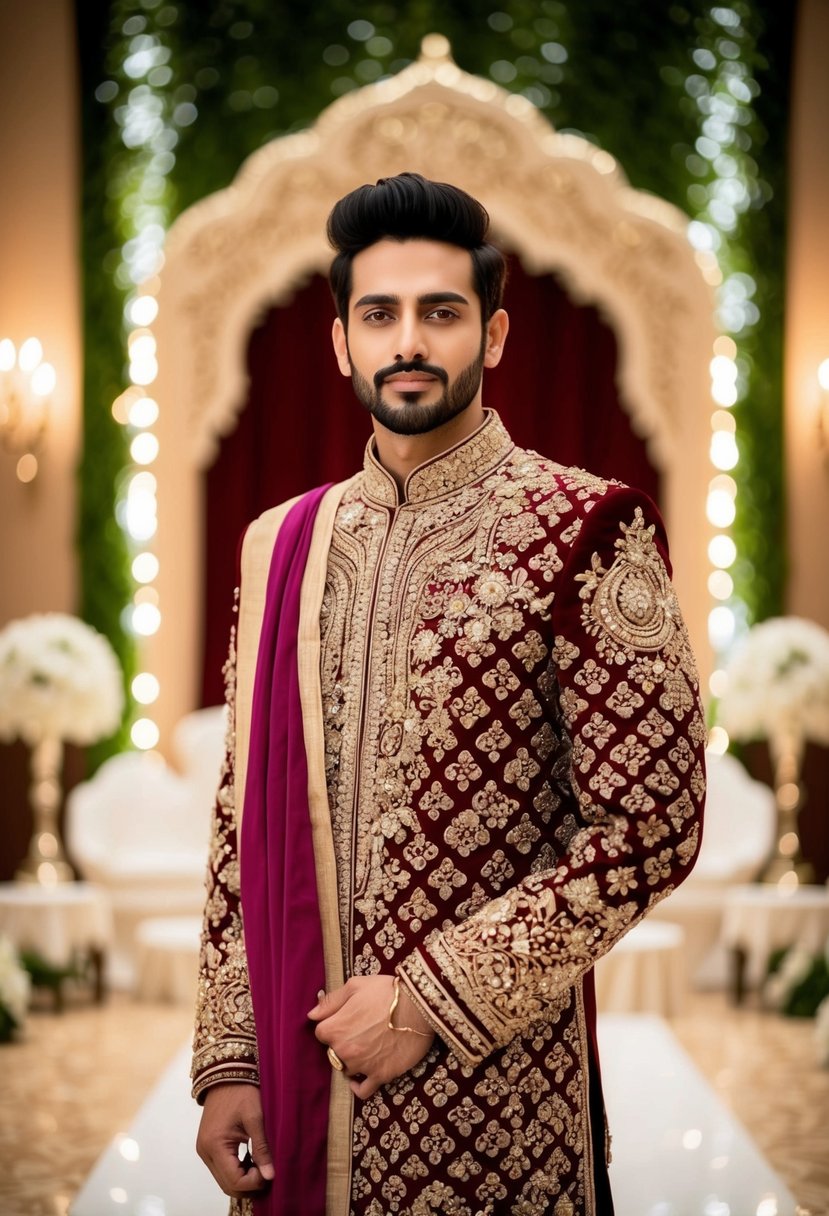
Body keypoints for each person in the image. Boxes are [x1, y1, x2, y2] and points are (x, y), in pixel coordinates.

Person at [192, 172, 706, 1216]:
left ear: (496, 333)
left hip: (493, 1106)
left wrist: (433, 996)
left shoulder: (582, 525)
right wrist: (227, 1059)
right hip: (299, 1086)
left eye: (441, 311)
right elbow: (239, 817)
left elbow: (653, 820)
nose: (408, 341)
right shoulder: (280, 545)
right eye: (378, 314)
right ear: (341, 341)